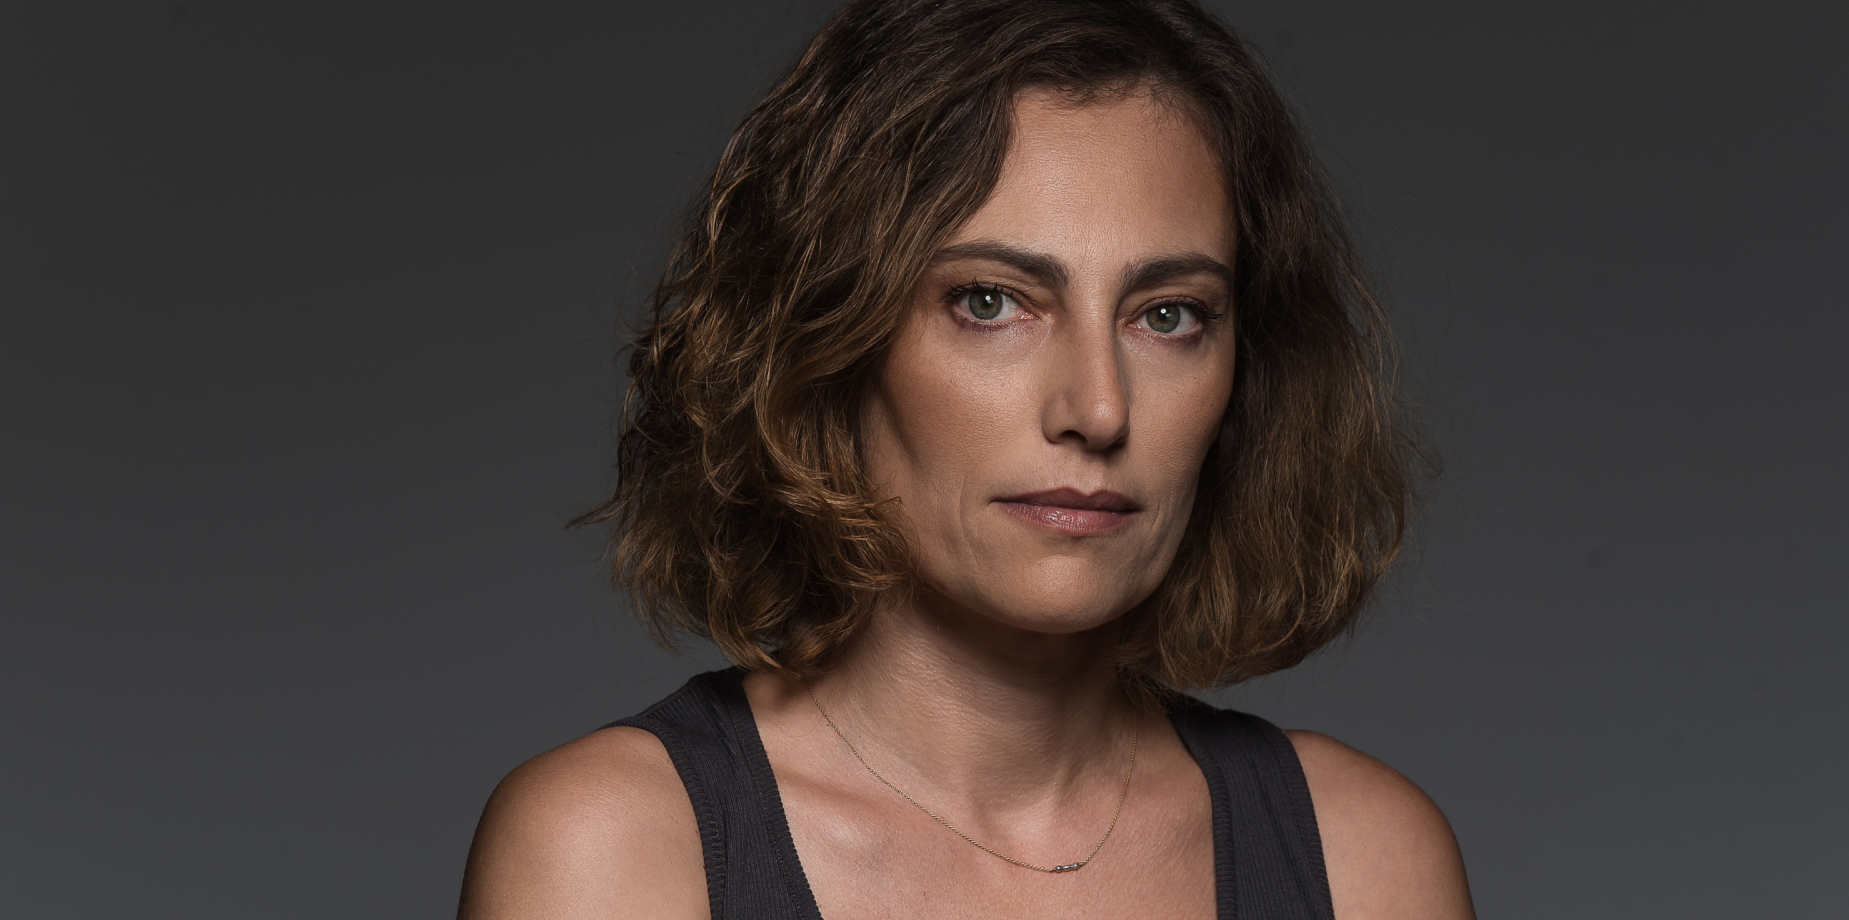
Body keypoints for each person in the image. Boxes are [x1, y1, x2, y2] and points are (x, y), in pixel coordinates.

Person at [459, 0, 1473, 917]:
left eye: (1168, 315)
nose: (1099, 408)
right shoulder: (614, 851)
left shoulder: (1365, 861)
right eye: (991, 302)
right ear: (826, 339)